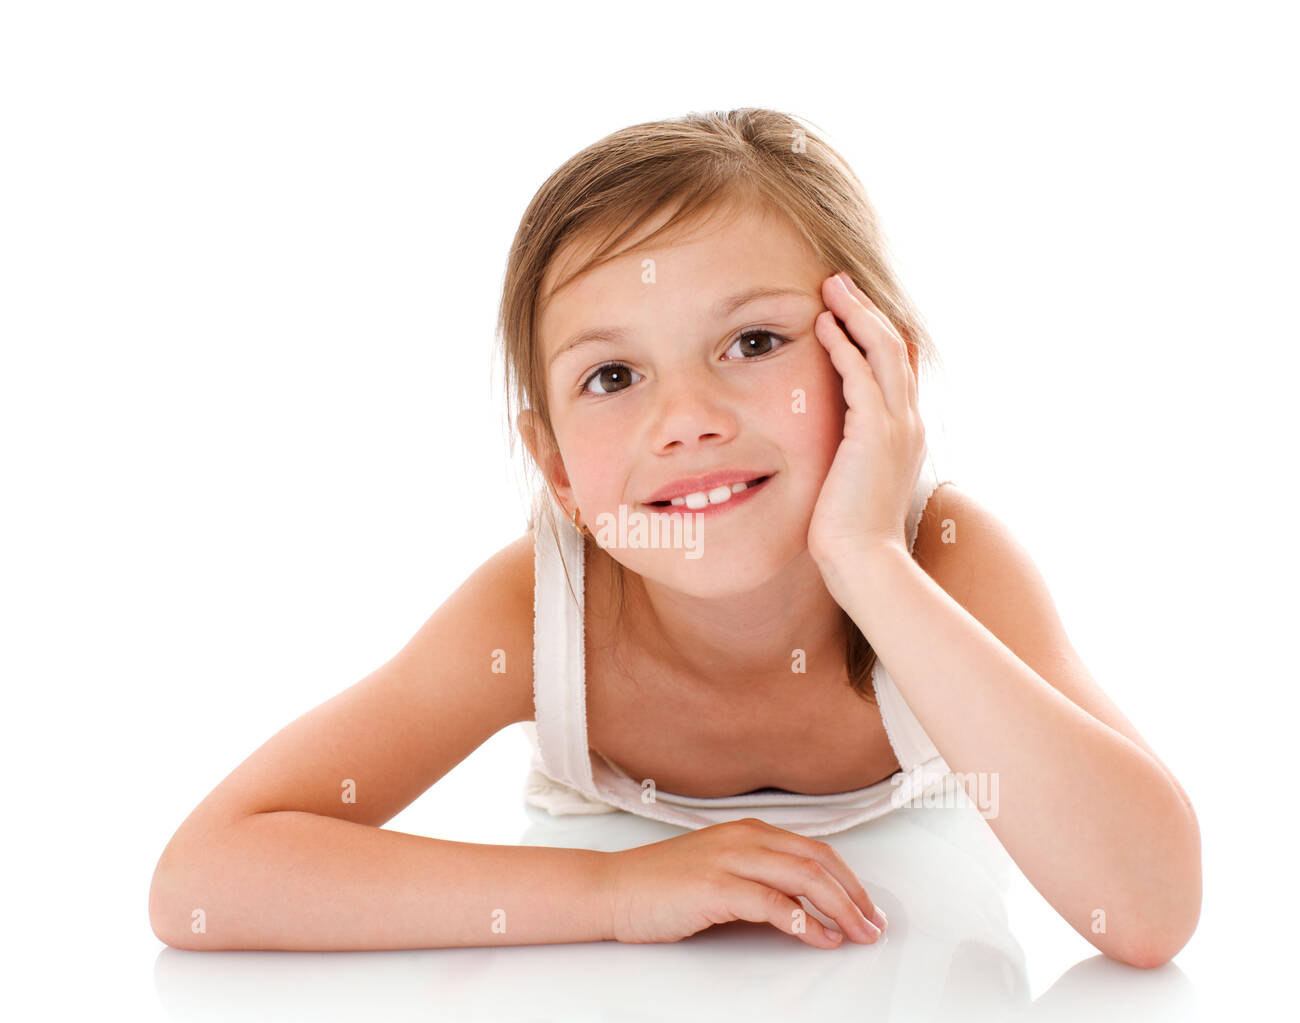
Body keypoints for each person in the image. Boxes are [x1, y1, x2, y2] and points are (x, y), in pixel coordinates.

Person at [148, 108, 1200, 966]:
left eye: (751, 342)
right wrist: (614, 889)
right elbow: (204, 879)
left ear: (878, 368)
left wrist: (869, 562)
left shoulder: (946, 562)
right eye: (612, 376)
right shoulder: (536, 612)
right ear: (557, 465)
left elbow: (1146, 914)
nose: (686, 417)